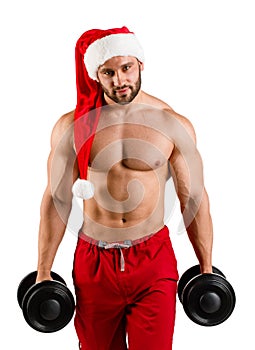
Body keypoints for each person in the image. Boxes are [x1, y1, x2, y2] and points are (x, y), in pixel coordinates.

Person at [36, 26, 213, 349]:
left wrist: (206, 268)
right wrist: (43, 271)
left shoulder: (171, 124)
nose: (119, 80)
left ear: (141, 65)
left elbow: (194, 199)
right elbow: (57, 198)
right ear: (96, 75)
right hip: (94, 263)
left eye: (126, 68)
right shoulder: (71, 126)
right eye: (109, 72)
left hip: (153, 260)